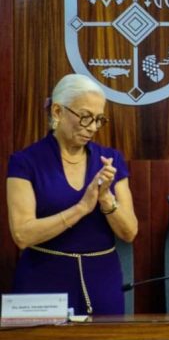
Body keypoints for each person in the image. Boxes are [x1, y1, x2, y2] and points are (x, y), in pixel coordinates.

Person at [7, 74, 138, 316]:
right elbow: (22, 235)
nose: (93, 127)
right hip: (43, 281)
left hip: (102, 279)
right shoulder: (25, 162)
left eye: (99, 119)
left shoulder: (110, 160)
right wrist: (82, 208)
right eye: (85, 117)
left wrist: (105, 198)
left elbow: (129, 232)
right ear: (57, 112)